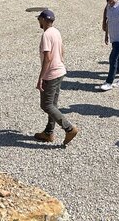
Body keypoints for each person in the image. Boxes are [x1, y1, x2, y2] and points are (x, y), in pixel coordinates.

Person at [33, 9, 78, 146]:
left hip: (51, 74)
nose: (38, 21)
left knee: (46, 105)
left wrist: (41, 78)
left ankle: (69, 128)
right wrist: (60, 63)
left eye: (39, 19)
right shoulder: (56, 32)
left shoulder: (46, 35)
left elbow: (47, 58)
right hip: (60, 71)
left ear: (44, 20)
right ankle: (48, 132)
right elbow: (62, 49)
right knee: (53, 104)